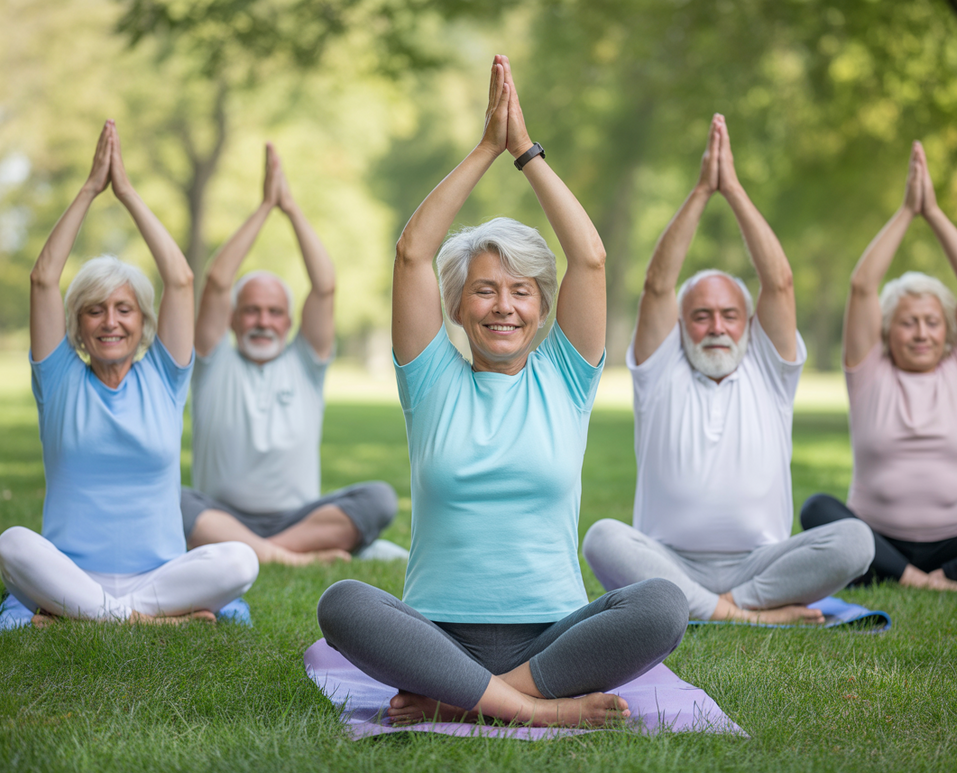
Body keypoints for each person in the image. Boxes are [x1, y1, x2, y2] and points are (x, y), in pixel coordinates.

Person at [316, 56, 688, 728]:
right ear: (457, 305)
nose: (503, 306)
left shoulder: (565, 378)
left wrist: (525, 152)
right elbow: (411, 253)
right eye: (484, 289)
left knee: (660, 603)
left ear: (543, 308)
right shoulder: (429, 380)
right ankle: (532, 710)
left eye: (521, 291)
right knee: (341, 601)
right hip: (436, 639)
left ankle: (472, 700)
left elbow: (592, 259)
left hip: (553, 638)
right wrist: (485, 147)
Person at [583, 114, 874, 625]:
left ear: (748, 324)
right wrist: (700, 192)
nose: (716, 326)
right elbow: (656, 285)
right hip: (668, 560)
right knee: (602, 538)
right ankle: (748, 615)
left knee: (856, 540)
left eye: (729, 315)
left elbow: (779, 283)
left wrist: (733, 190)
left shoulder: (769, 367)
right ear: (681, 325)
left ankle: (716, 608)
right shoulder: (661, 368)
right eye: (700, 315)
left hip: (763, 566)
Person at [0, 120, 258, 626]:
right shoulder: (58, 380)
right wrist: (90, 190)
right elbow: (43, 278)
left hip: (159, 578)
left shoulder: (164, 377)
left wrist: (128, 193)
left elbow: (181, 280)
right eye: (95, 310)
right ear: (77, 324)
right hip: (69, 574)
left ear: (143, 323)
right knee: (12, 543)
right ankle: (147, 620)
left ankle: (96, 616)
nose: (110, 321)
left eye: (124, 309)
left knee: (240, 558)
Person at [800, 142, 957, 590]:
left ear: (946, 332)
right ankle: (932, 582)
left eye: (932, 322)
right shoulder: (869, 373)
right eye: (908, 323)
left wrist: (933, 212)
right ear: (887, 331)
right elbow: (862, 287)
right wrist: (907, 212)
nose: (922, 333)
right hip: (877, 541)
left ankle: (941, 575)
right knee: (817, 509)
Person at [180, 143, 401, 566]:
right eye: (251, 311)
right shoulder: (212, 361)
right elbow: (216, 281)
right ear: (232, 319)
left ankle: (260, 550)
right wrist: (264, 208)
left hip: (300, 517)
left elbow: (324, 286)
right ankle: (293, 557)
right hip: (220, 515)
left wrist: (291, 209)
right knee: (168, 499)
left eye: (274, 312)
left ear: (289, 321)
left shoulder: (305, 361)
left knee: (379, 498)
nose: (262, 321)